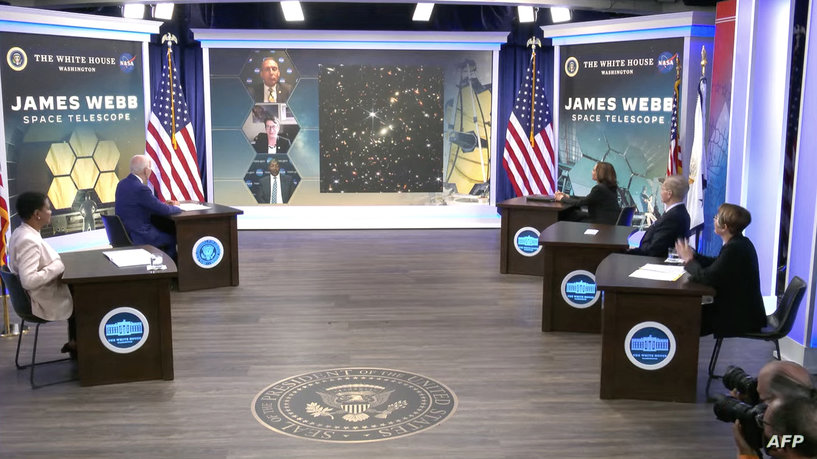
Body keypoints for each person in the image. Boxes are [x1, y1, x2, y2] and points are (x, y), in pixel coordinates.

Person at [675, 203, 767, 336]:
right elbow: (717, 264)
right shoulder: (740, 243)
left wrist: (689, 261)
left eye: (716, 217)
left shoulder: (735, 248)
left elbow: (708, 278)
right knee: (687, 313)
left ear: (724, 227)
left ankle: (684, 354)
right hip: (739, 309)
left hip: (739, 316)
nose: (714, 219)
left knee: (685, 317)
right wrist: (694, 256)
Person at [7, 191, 75, 354]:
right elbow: (28, 280)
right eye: (48, 208)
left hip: (40, 294)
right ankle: (81, 345)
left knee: (80, 294)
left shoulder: (21, 232)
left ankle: (76, 342)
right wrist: (56, 267)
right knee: (87, 300)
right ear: (37, 214)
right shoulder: (28, 240)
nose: (51, 212)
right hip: (41, 300)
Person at [115, 155, 182, 259]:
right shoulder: (141, 188)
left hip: (126, 233)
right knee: (172, 237)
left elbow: (142, 205)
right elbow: (164, 211)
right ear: (146, 171)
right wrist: (178, 207)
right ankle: (168, 271)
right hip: (140, 235)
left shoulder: (122, 184)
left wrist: (163, 204)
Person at [628, 175, 690, 257]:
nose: (660, 193)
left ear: (669, 193)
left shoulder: (672, 218)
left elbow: (653, 250)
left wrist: (642, 243)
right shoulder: (677, 213)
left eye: (662, 189)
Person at [554, 161, 621, 224]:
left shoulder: (599, 188)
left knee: (566, 215)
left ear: (600, 173)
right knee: (576, 213)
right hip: (608, 221)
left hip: (601, 224)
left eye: (594, 170)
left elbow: (581, 202)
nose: (592, 172)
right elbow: (587, 199)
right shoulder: (609, 188)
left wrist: (562, 198)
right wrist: (568, 196)